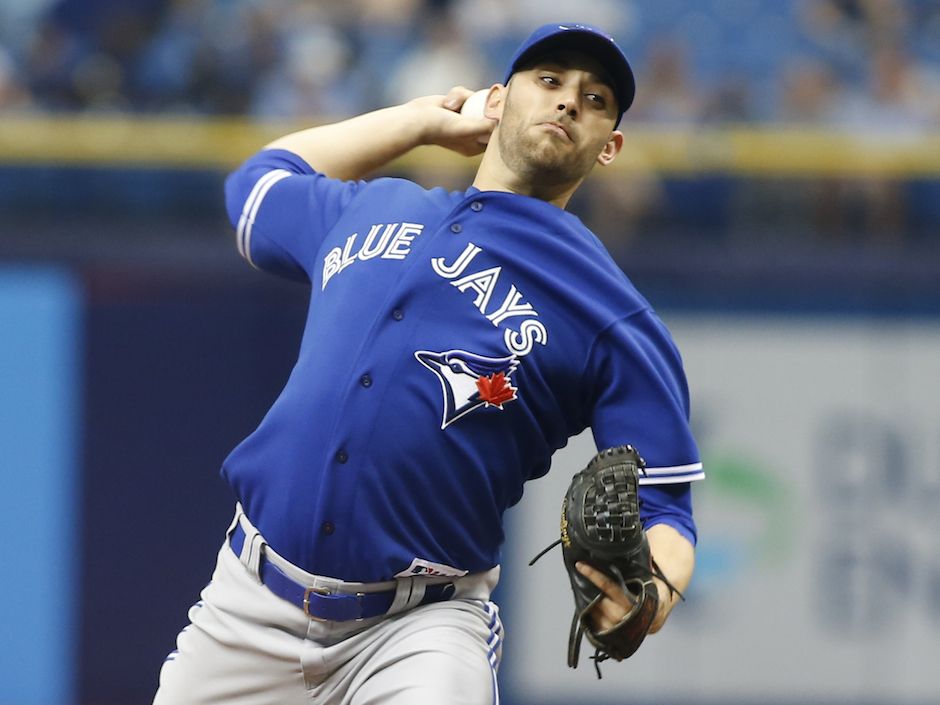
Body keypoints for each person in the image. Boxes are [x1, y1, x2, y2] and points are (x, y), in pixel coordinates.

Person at [153, 22, 703, 705]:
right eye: (551, 81)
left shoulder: (610, 312)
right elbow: (258, 184)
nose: (568, 102)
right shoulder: (373, 206)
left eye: (595, 100)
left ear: (610, 147)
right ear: (497, 101)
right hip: (248, 604)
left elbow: (668, 510)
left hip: (418, 629)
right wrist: (420, 122)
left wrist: (648, 598)